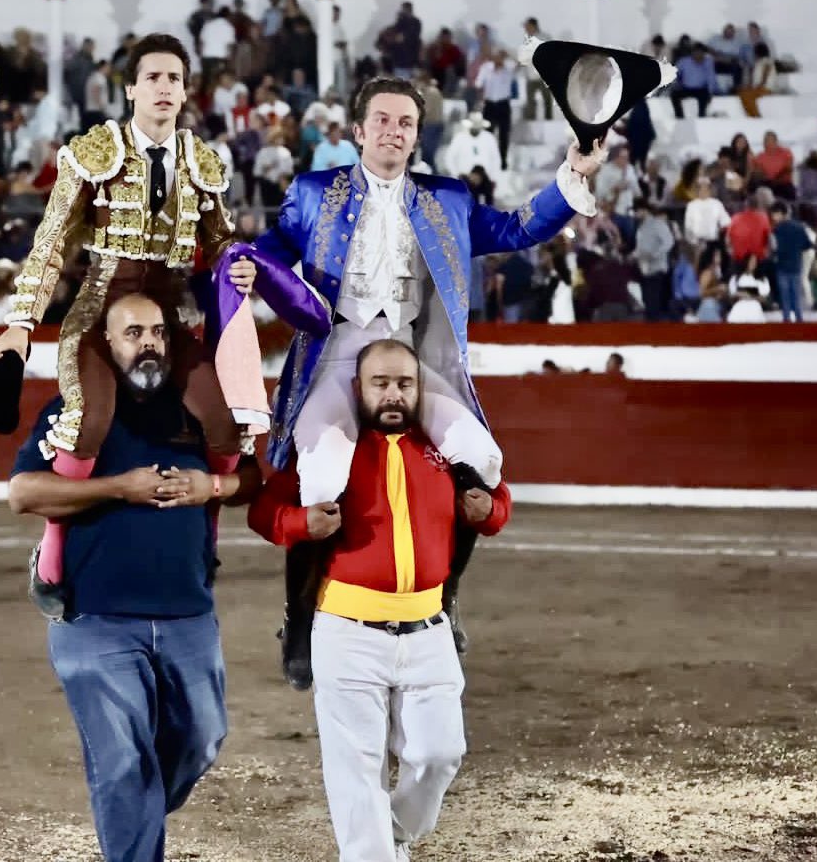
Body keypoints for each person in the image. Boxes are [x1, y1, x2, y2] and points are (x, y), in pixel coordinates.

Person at [252, 75, 602, 675]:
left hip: (411, 357)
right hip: (337, 351)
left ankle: (446, 598)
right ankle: (301, 619)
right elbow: (267, 255)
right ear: (359, 131)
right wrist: (239, 270)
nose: (393, 131)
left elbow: (518, 229)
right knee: (319, 480)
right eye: (382, 120)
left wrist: (572, 176)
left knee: (480, 461)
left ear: (417, 136)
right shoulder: (312, 192)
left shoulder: (448, 199)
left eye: (405, 123)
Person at [0, 33, 267, 601]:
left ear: (186, 92)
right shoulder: (93, 152)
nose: (164, 88)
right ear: (132, 88)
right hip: (98, 310)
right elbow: (52, 242)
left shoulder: (204, 164)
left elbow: (225, 249)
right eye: (154, 78)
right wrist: (22, 322)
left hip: (173, 316)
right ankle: (52, 560)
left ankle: (206, 547)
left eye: (175, 80)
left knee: (223, 423)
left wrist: (243, 272)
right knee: (88, 419)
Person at [9, 292, 260, 862]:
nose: (148, 343)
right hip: (95, 622)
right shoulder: (74, 412)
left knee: (201, 743)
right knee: (122, 761)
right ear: (108, 344)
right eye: (132, 333)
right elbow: (23, 493)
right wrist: (119, 488)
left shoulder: (197, 412)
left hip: (188, 617)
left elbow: (251, 479)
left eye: (157, 332)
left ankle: (133, 808)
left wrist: (211, 488)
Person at [248, 338, 511, 862]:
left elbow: (496, 501)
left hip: (428, 630)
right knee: (355, 769)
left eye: (404, 384)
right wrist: (302, 521)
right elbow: (265, 511)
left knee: (440, 755)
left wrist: (491, 512)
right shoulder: (330, 450)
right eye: (381, 383)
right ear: (358, 389)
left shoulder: (443, 450)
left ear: (419, 390)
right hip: (346, 630)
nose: (393, 394)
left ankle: (391, 834)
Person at [770, 200, 813, 322]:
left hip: (782, 267)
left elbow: (774, 248)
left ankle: (787, 322)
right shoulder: (800, 227)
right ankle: (799, 321)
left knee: (785, 299)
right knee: (796, 298)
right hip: (796, 266)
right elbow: (808, 245)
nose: (773, 217)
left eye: (774, 214)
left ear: (780, 213)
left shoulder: (776, 230)